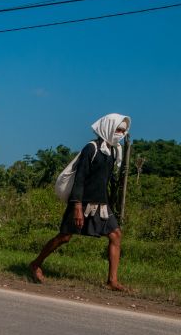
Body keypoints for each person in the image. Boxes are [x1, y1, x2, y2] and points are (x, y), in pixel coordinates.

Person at [30, 113, 131, 291]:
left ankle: (112, 281)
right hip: (81, 202)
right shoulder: (91, 149)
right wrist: (77, 207)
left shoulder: (115, 151)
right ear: (108, 128)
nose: (121, 133)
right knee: (64, 237)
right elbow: (80, 178)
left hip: (102, 204)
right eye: (118, 129)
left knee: (116, 235)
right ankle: (36, 264)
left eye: (123, 130)